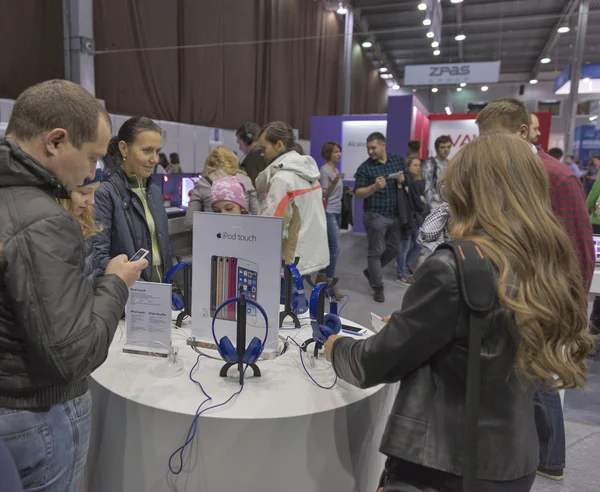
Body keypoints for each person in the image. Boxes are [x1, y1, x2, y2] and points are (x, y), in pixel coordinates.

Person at [324, 133, 593, 492]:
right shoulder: (546, 261)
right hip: (515, 461)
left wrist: (336, 347)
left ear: (467, 190)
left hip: (444, 468)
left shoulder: (454, 266)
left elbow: (376, 362)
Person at [0, 79, 146, 492]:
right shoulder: (43, 219)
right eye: (92, 157)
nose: (91, 173)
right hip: (37, 418)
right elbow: (74, 355)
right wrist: (115, 283)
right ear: (56, 141)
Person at [476, 98, 595, 482]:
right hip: (503, 293)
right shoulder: (499, 174)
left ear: (522, 132)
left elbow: (579, 251)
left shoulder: (556, 176)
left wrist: (569, 316)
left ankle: (551, 457)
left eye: (495, 137)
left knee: (539, 378)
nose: (488, 147)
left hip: (541, 299)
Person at [94, 116, 173, 283]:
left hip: (160, 292)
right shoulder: (105, 194)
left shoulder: (154, 192)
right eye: (147, 150)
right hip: (128, 296)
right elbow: (99, 256)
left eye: (157, 151)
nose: (155, 159)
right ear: (124, 148)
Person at [257, 121, 329, 275]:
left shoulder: (282, 179)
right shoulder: (310, 174)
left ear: (279, 145)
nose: (262, 154)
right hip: (309, 255)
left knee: (282, 299)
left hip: (287, 262)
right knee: (297, 298)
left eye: (264, 148)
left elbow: (269, 226)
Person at [354, 132, 405, 303]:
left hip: (395, 215)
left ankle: (371, 271)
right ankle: (377, 286)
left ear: (383, 145)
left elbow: (406, 182)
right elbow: (358, 194)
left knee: (395, 249)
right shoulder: (365, 168)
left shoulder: (397, 161)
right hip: (374, 215)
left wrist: (402, 180)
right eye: (368, 148)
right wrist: (373, 187)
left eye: (373, 148)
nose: (370, 151)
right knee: (375, 252)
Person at [185, 146, 259, 227]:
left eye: (229, 209)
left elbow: (190, 221)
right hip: (244, 234)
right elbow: (257, 215)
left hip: (213, 235)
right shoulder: (245, 180)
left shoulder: (202, 183)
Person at [60, 166, 104, 283]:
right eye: (84, 192)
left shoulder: (83, 223)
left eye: (95, 192)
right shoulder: (52, 233)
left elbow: (93, 276)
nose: (92, 201)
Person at [316, 141, 344, 298]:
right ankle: (329, 283)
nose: (338, 154)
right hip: (329, 212)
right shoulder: (325, 170)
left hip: (337, 211)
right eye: (335, 151)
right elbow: (324, 194)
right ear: (328, 153)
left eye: (339, 151)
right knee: (335, 248)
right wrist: (333, 184)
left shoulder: (335, 169)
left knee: (330, 247)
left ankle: (321, 274)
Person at [396, 157, 426, 284]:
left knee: (418, 244)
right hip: (406, 218)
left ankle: (404, 266)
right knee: (405, 246)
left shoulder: (418, 182)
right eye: (414, 165)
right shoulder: (404, 181)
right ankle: (401, 274)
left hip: (415, 218)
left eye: (419, 165)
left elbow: (419, 201)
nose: (418, 167)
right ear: (408, 167)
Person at [422, 135, 451, 209]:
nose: (446, 150)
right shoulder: (430, 164)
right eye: (442, 147)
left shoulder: (451, 163)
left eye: (448, 147)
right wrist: (431, 207)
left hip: (449, 204)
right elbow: (427, 187)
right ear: (436, 149)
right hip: (435, 206)